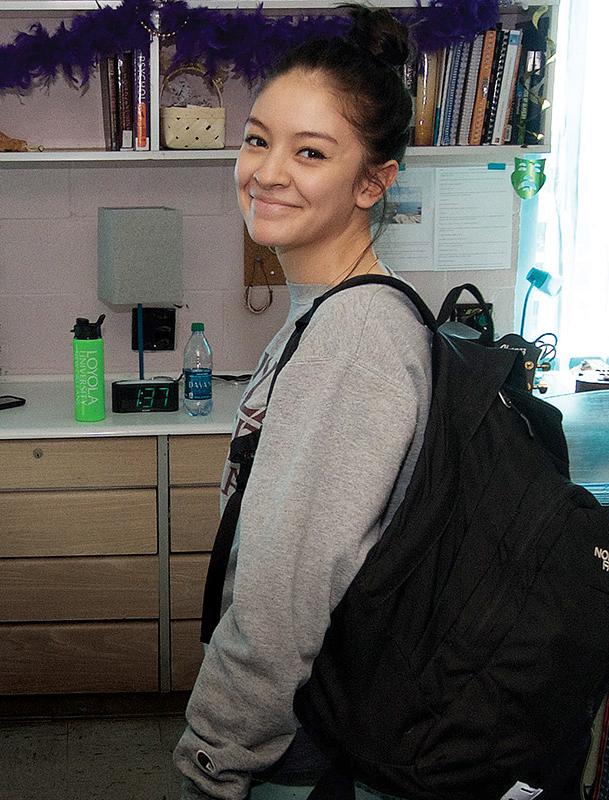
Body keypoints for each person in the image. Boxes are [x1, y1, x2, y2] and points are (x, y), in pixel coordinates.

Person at [173, 6, 431, 799]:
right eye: (258, 139)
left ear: (372, 182)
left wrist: (215, 759)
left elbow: (285, 602)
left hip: (306, 744)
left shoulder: (354, 341)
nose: (269, 171)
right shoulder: (330, 309)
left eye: (310, 152)